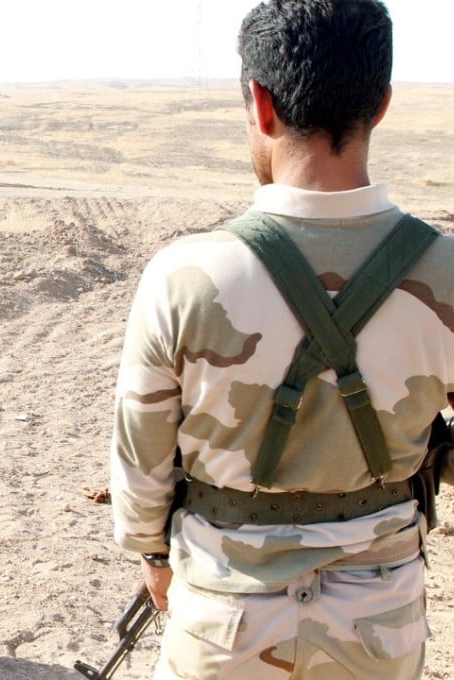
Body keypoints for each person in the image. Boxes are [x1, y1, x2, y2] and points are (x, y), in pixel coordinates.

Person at [109, 1, 454, 678]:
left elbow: (141, 456)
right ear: (381, 104)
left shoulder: (183, 277)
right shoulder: (445, 272)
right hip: (379, 621)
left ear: (260, 105)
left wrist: (153, 557)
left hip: (225, 618)